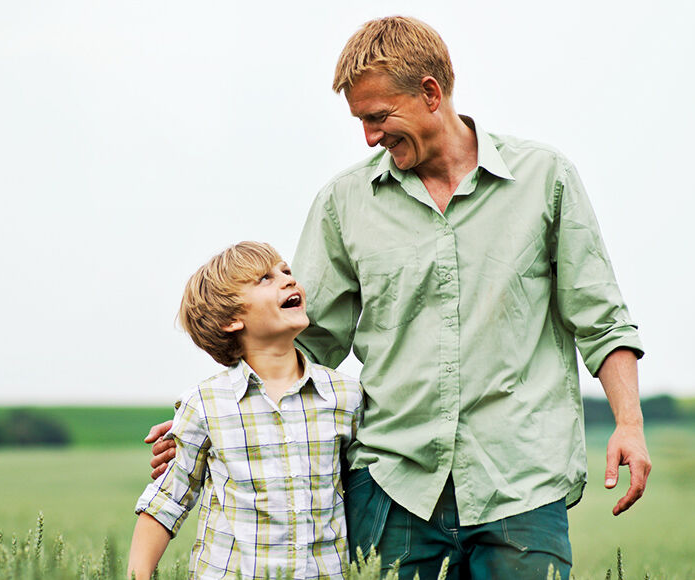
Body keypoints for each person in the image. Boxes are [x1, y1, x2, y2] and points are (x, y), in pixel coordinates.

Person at [146, 16, 652, 579]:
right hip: (392, 493)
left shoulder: (545, 178)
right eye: (360, 121)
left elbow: (601, 319)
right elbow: (303, 345)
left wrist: (629, 424)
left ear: (431, 93)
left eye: (378, 117)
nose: (369, 137)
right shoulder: (344, 203)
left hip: (522, 484)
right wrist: (216, 418)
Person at [127, 241, 364, 580]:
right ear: (231, 320)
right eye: (265, 278)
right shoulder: (205, 404)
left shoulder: (345, 396)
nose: (288, 279)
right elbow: (166, 503)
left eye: (286, 271)